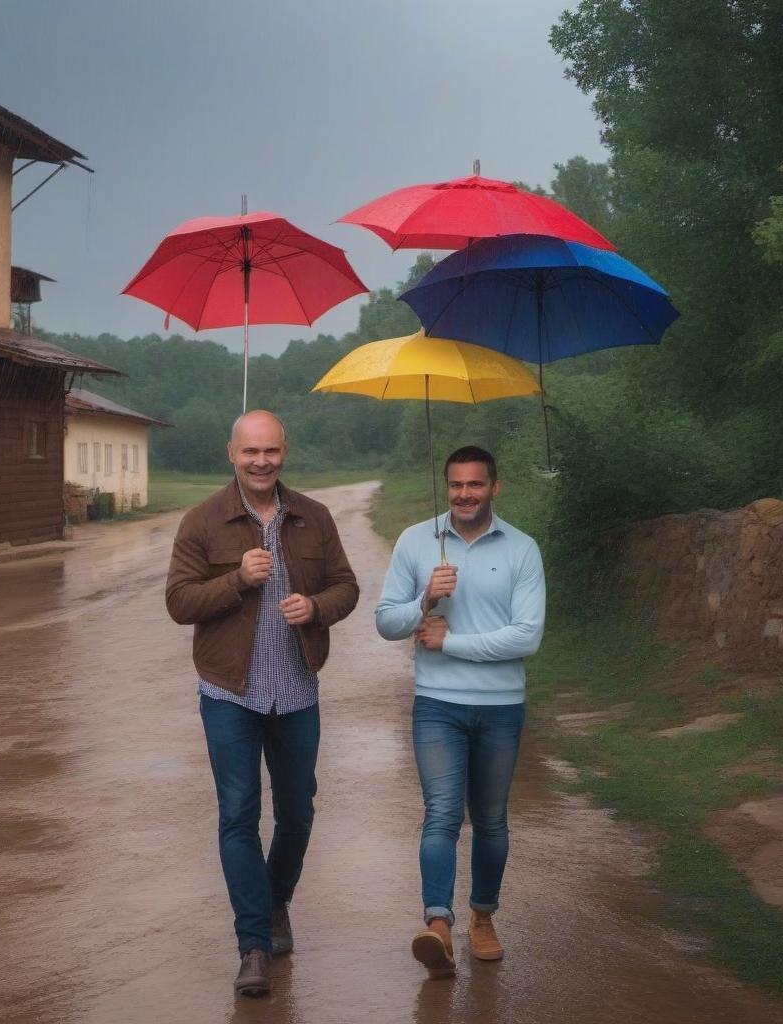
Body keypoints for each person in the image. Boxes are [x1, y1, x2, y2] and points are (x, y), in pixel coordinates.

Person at [165, 410, 359, 997]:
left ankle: (275, 904)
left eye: (271, 451)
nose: (261, 462)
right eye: (250, 452)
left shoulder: (314, 517)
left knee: (298, 811)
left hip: (297, 689)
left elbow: (346, 586)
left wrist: (317, 608)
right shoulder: (202, 521)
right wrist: (237, 581)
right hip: (230, 692)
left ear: (285, 451)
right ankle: (253, 944)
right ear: (231, 453)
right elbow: (178, 601)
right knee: (238, 815)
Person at [374, 445, 545, 977]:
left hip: (500, 706)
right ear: (446, 487)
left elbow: (527, 636)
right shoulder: (415, 540)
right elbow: (385, 622)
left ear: (495, 487)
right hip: (437, 705)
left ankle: (483, 918)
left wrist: (452, 643)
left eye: (475, 484)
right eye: (455, 485)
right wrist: (424, 599)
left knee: (491, 820)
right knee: (442, 814)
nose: (464, 494)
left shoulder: (522, 549)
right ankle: (439, 926)